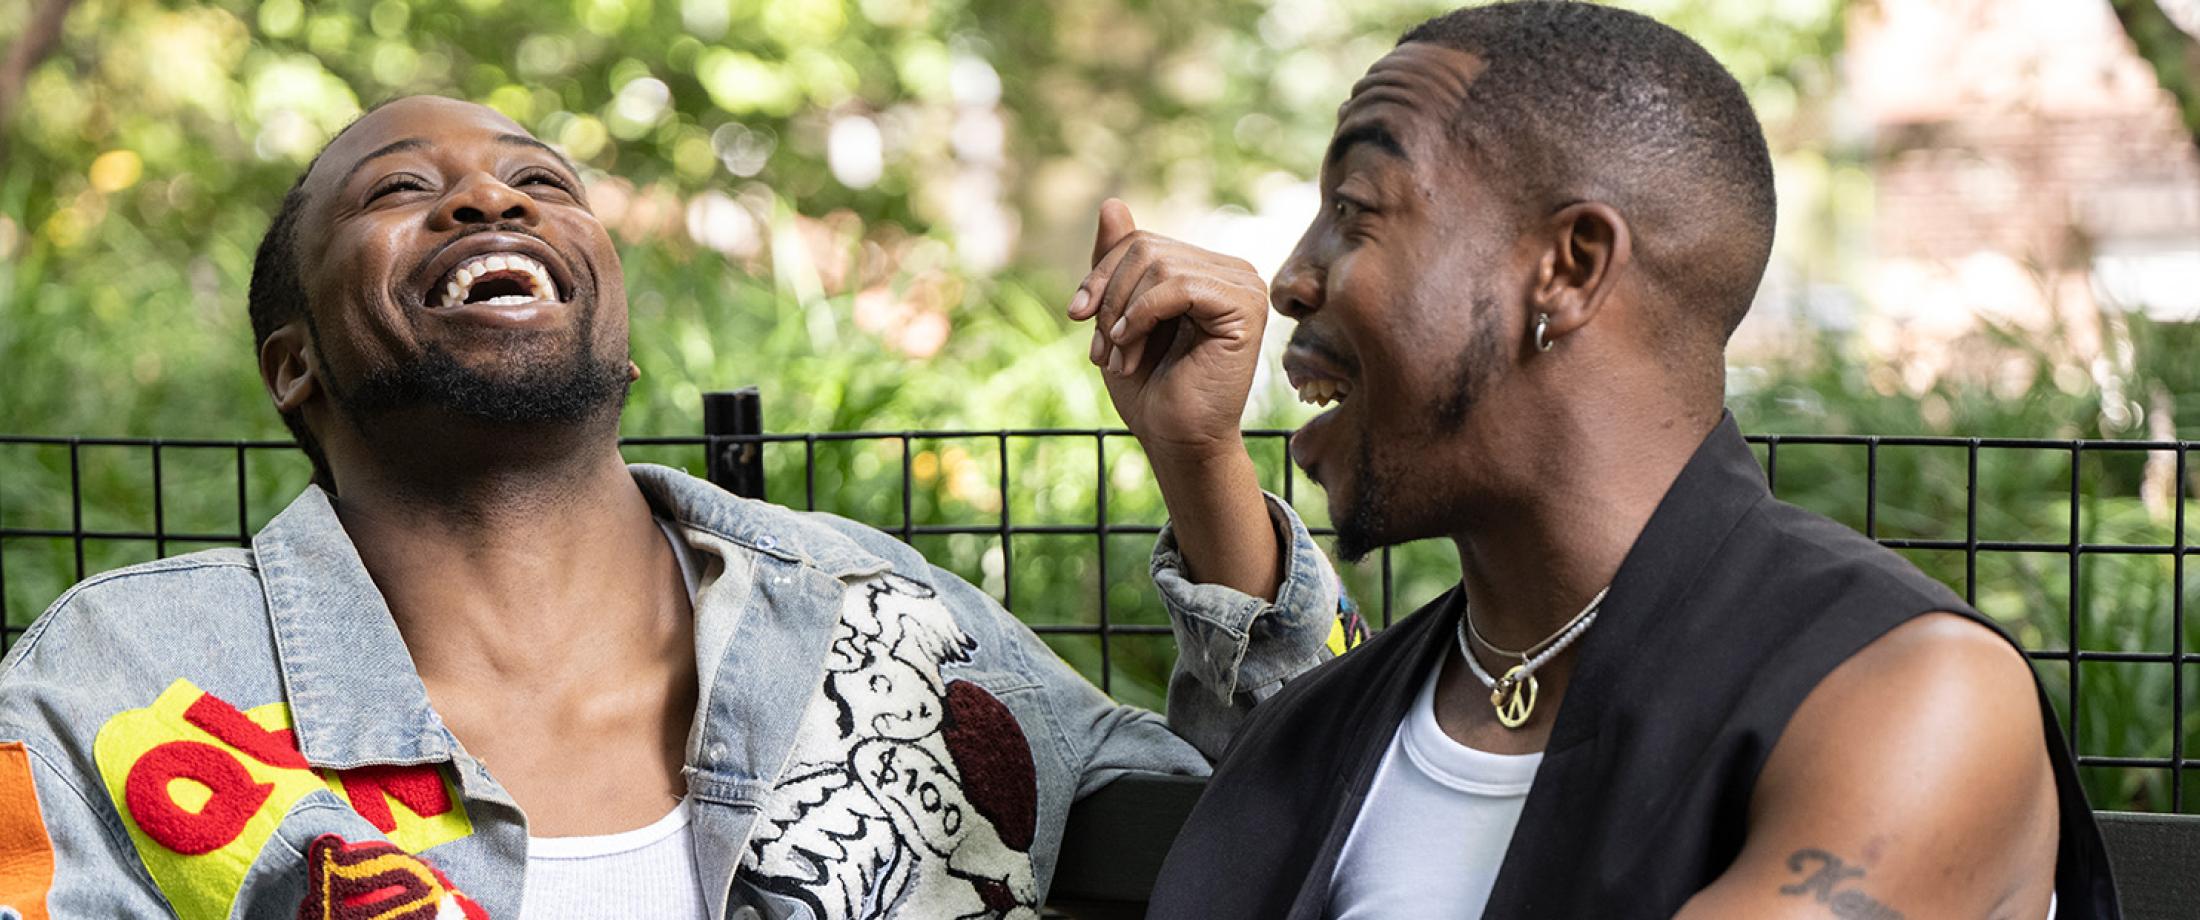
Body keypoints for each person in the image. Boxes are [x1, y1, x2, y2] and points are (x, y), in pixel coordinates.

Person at [0, 95, 1339, 919]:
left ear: (619, 339)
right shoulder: (113, 687)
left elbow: (1292, 818)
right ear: (294, 366)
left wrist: (1203, 460)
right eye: (401, 191)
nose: (488, 195)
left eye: (543, 184)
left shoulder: (883, 624)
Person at [1066, 3, 2119, 917]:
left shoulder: (1905, 690)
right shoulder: (1344, 719)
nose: (1289, 278)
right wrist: (1194, 452)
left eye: (1353, 213)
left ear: (1567, 268)